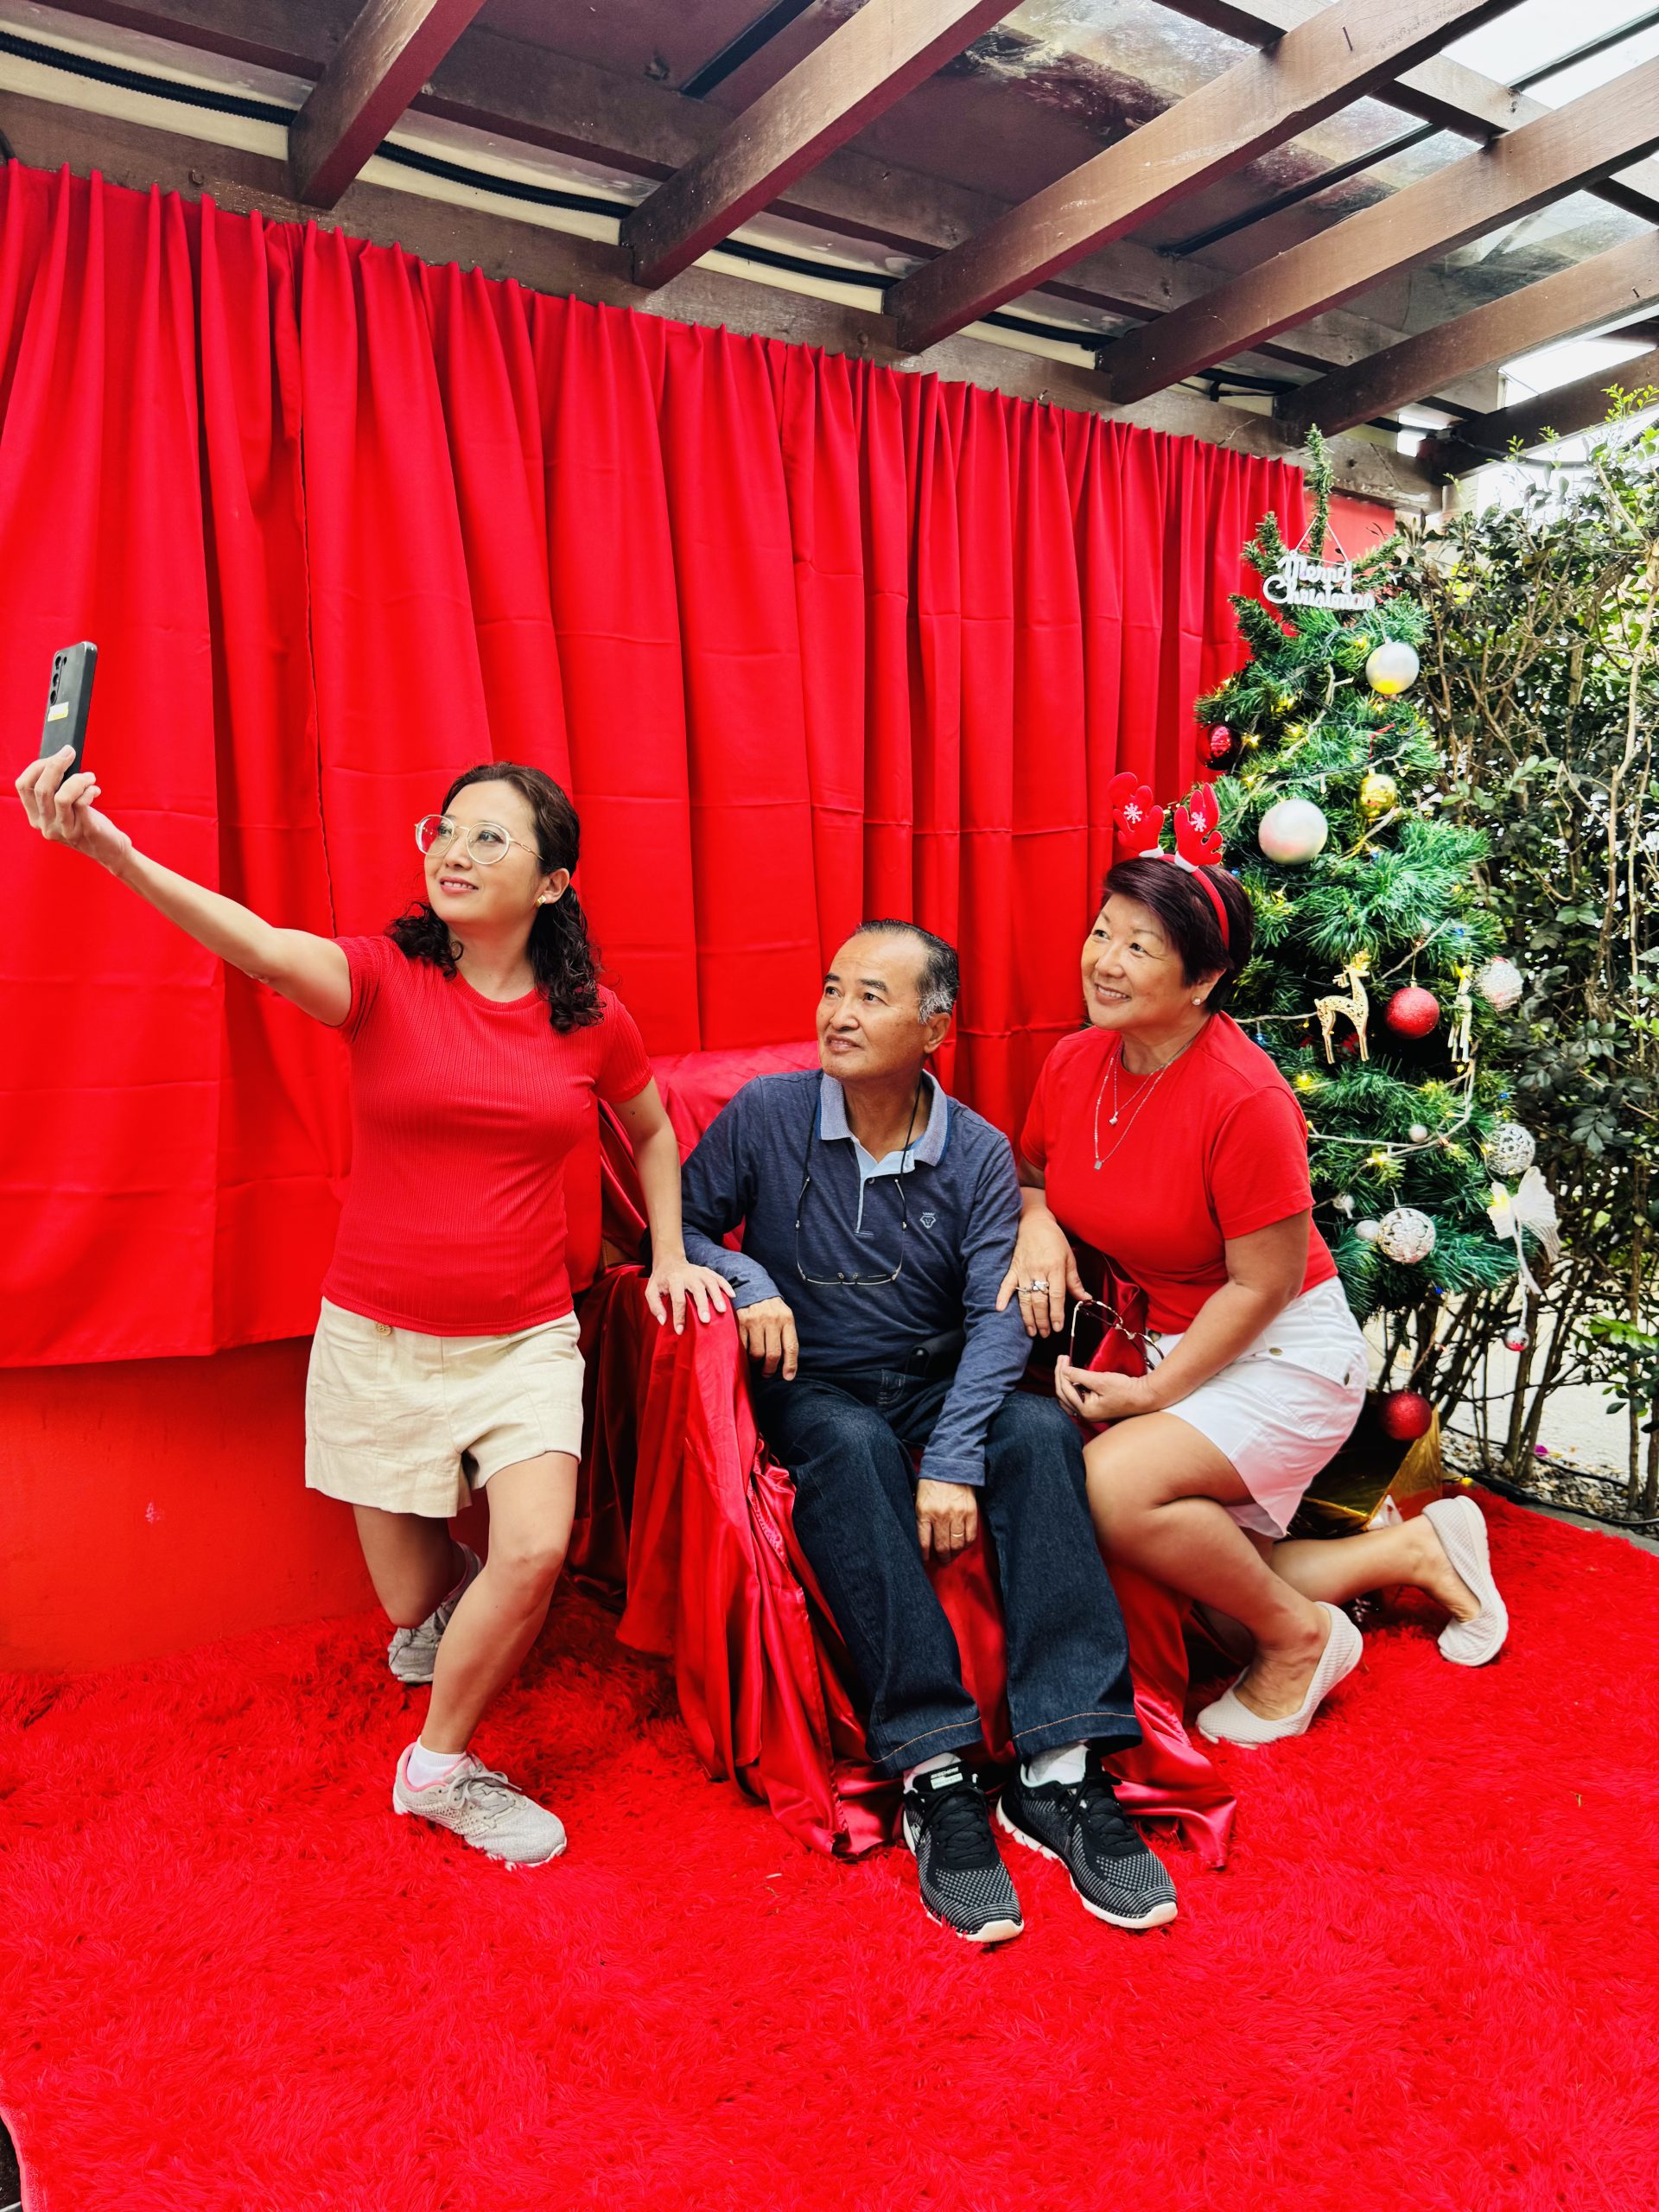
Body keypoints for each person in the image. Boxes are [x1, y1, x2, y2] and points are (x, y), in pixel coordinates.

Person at [17, 746, 729, 1864]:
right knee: (412, 1608)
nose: (455, 850)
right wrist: (111, 850)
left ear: (554, 883)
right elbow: (254, 943)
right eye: (444, 828)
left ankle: (438, 1766)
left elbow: (648, 1130)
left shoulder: (592, 1018)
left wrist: (673, 1251)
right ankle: (457, 1622)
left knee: (533, 1549)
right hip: (380, 1338)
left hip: (526, 1340)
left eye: (490, 836)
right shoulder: (383, 981)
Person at [679, 919, 1177, 1945]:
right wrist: (747, 1275)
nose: (839, 1014)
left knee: (1039, 1436)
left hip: (936, 1377)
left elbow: (998, 1316)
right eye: (833, 989)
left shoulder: (979, 1150)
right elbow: (674, 1223)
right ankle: (937, 1774)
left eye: (871, 996)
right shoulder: (768, 1114)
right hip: (815, 1383)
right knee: (852, 1449)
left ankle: (1061, 1770)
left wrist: (951, 1458)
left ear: (935, 1028)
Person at [1001, 855, 1509, 1749]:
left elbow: (1263, 1284)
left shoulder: (1246, 1098)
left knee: (1114, 1488)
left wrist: (1153, 1395)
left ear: (1203, 979)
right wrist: (1037, 1224)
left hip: (1280, 1351)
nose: (1105, 961)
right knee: (1216, 1598)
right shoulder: (1076, 1061)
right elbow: (1035, 1172)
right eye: (1102, 932)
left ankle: (1298, 1641)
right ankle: (1415, 1550)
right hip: (1173, 1342)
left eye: (1140, 947)